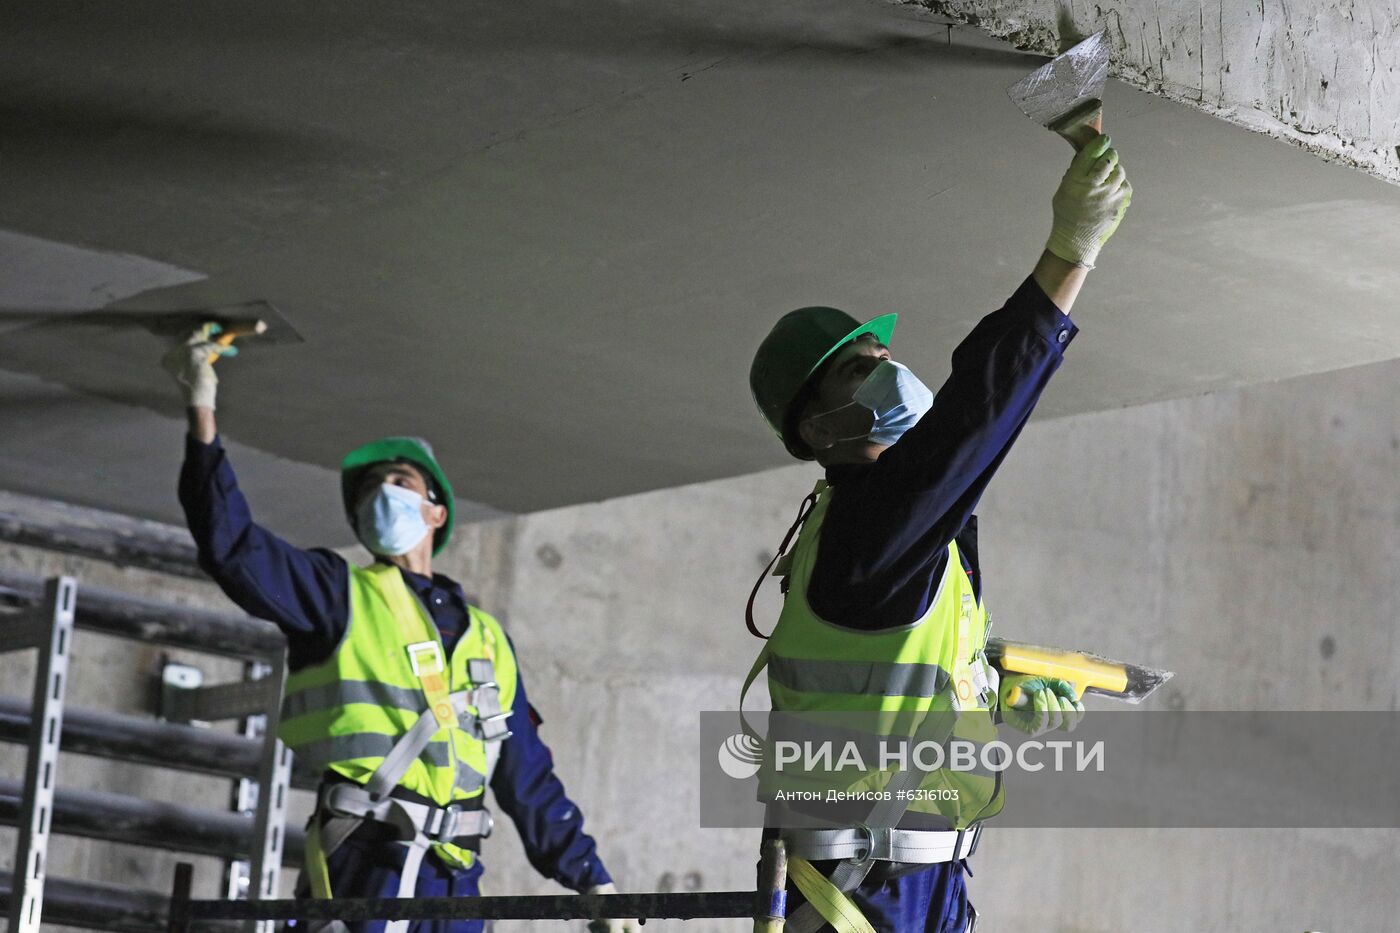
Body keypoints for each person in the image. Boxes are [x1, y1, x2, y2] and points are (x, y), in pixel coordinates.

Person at [743, 134, 1132, 933]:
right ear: (815, 428)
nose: (887, 370)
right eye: (858, 369)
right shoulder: (867, 522)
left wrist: (992, 693)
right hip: (865, 888)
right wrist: (1067, 258)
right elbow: (974, 418)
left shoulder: (883, 531)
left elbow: (895, 689)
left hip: (915, 879)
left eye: (881, 352)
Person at [162, 337, 637, 933]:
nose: (378, 494)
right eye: (367, 491)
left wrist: (594, 881)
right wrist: (202, 414)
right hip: (363, 860)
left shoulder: (488, 640)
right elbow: (232, 547)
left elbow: (527, 778)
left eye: (398, 479)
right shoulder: (339, 594)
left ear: (437, 512)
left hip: (456, 879)